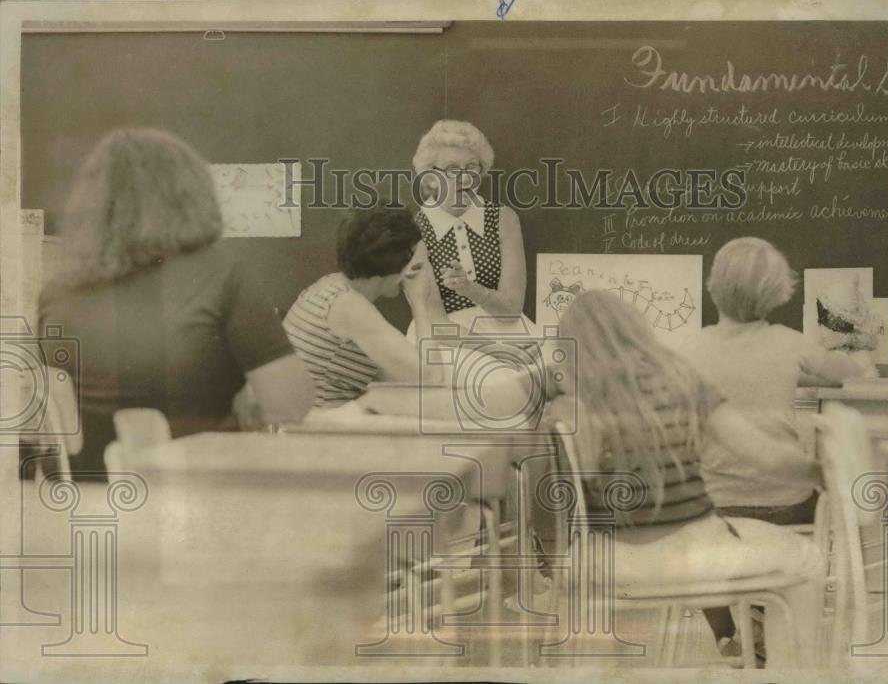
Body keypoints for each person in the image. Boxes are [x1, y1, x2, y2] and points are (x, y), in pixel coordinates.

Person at [548, 290, 825, 669]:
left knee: (576, 578)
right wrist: (820, 472)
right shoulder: (683, 383)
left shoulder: (569, 401)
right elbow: (763, 454)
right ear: (639, 333)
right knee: (805, 560)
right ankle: (789, 676)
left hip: (613, 561)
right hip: (698, 556)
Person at [39, 128, 314, 481]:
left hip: (85, 513)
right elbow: (290, 405)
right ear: (191, 194)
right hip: (198, 503)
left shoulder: (57, 290)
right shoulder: (222, 273)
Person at [677, 237, 866, 656]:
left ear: (712, 288)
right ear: (777, 294)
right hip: (785, 504)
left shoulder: (688, 347)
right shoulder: (789, 342)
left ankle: (727, 633)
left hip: (714, 506)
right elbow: (852, 373)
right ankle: (768, 607)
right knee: (809, 502)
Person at [283, 207, 454, 407]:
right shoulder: (349, 307)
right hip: (313, 430)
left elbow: (398, 376)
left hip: (304, 422)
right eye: (421, 264)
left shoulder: (331, 286)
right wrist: (419, 301)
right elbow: (431, 381)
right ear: (401, 265)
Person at [410, 119, 534, 338]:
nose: (465, 178)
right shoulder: (414, 230)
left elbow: (512, 309)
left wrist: (469, 289)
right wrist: (498, 352)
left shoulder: (503, 218)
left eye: (472, 167)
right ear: (431, 179)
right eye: (452, 169)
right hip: (447, 339)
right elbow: (435, 323)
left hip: (508, 331)